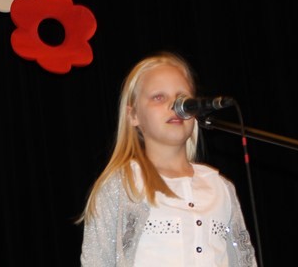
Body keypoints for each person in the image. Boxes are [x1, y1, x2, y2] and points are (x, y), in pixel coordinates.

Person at [78, 51, 258, 266]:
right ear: (133, 115)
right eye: (158, 97)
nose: (175, 106)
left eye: (183, 98)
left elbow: (244, 260)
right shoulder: (123, 185)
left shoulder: (220, 187)